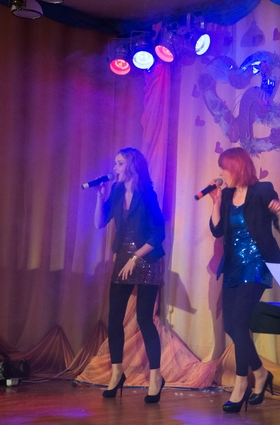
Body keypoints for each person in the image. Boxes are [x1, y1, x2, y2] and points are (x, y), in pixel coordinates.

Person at [208, 147, 280, 413]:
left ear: (238, 167)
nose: (221, 173)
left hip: (256, 264)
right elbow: (216, 231)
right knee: (230, 326)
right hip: (233, 266)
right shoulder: (227, 195)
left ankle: (241, 384)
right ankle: (260, 372)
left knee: (239, 322)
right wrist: (215, 202)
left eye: (224, 168)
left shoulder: (263, 190)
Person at [94, 147, 166, 403]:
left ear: (132, 167)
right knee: (114, 318)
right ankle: (117, 373)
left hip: (146, 260)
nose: (114, 168)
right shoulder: (115, 191)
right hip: (122, 259)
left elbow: (159, 234)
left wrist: (135, 259)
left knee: (144, 319)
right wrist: (100, 197)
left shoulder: (148, 194)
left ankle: (156, 377)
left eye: (119, 163)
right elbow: (99, 223)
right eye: (115, 163)